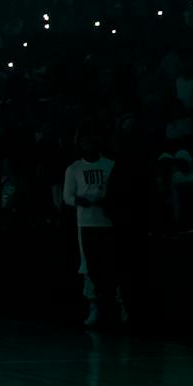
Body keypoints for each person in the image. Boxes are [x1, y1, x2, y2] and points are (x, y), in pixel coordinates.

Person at [62, 131, 121, 327]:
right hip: (86, 223)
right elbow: (67, 197)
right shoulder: (74, 168)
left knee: (112, 264)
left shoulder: (110, 165)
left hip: (108, 222)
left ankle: (118, 305)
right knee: (89, 265)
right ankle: (95, 306)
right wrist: (81, 201)